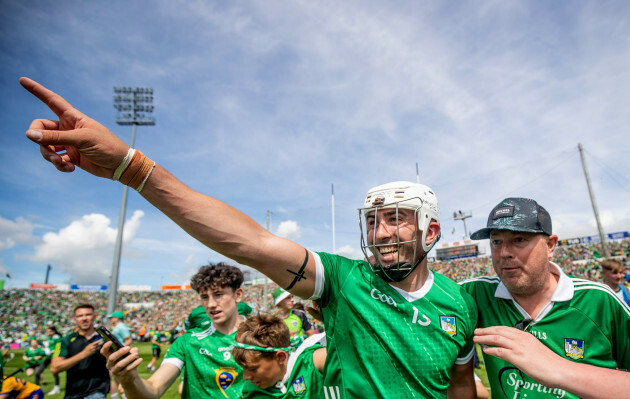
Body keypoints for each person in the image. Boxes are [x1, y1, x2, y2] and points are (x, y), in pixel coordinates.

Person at [21, 77, 478, 398]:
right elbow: (251, 243)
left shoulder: (457, 302)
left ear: (430, 231)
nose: (381, 233)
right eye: (373, 221)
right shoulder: (344, 279)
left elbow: (460, 389)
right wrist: (132, 167)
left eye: (397, 219)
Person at [461, 197, 630, 399]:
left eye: (519, 240)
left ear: (550, 246)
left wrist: (559, 369)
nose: (504, 253)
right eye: (496, 242)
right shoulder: (477, 293)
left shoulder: (599, 301)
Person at [101, 263, 246, 399]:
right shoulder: (188, 341)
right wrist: (129, 380)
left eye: (218, 294)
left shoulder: (261, 336)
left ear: (238, 294)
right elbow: (154, 389)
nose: (211, 304)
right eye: (204, 297)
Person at [232, 314, 325, 398]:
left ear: (280, 357)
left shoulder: (309, 365)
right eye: (243, 368)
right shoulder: (252, 391)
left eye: (253, 369)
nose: (245, 377)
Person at [51, 304, 110, 399]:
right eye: (80, 316)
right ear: (75, 319)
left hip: (97, 393)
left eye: (88, 315)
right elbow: (55, 368)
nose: (84, 318)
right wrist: (83, 354)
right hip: (72, 394)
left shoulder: (105, 339)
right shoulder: (65, 341)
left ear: (94, 316)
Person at [38, 327, 62, 395]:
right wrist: (44, 350)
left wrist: (50, 351)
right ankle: (35, 390)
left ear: (53, 331)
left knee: (54, 372)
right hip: (49, 357)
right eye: (47, 331)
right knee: (38, 372)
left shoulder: (57, 338)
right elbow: (48, 347)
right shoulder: (49, 338)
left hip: (54, 357)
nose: (47, 333)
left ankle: (57, 387)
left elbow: (59, 347)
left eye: (49, 331)